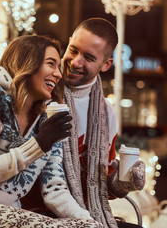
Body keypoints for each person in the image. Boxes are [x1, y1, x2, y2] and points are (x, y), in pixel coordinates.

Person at [0, 35, 104, 227]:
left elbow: (55, 190)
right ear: (28, 63)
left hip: (7, 213)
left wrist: (90, 221)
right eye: (51, 64)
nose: (58, 74)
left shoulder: (47, 119)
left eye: (58, 67)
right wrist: (39, 144)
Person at [21, 18, 146, 228]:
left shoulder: (106, 113)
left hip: (82, 213)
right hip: (31, 211)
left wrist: (123, 184)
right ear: (68, 42)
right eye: (73, 50)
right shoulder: (40, 90)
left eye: (88, 57)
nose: (76, 62)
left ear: (106, 64)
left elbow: (100, 186)